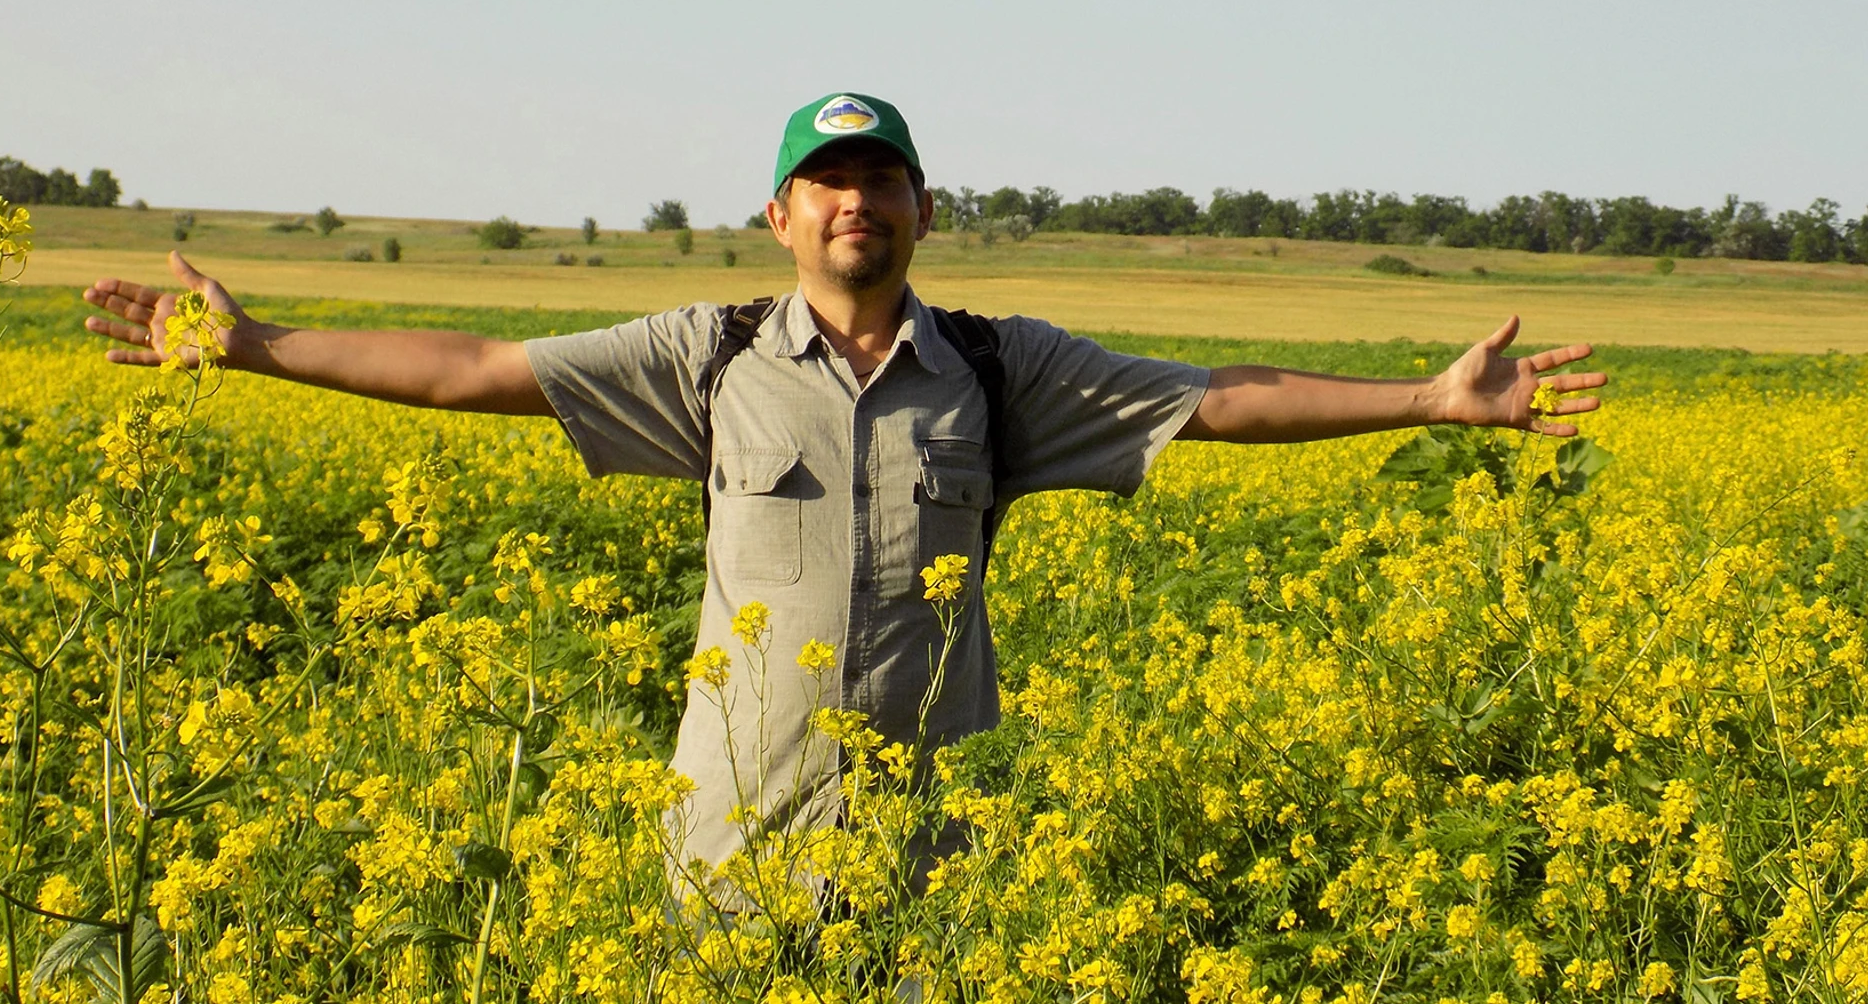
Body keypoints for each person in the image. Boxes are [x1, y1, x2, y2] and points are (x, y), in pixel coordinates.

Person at [82, 91, 1606, 906]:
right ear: (781, 211)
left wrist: (1430, 397)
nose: (856, 202)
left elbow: (1208, 400)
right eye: (828, 179)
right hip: (730, 858)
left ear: (923, 210)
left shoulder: (1004, 368)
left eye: (883, 180)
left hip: (927, 864)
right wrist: (260, 346)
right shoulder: (712, 354)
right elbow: (477, 360)